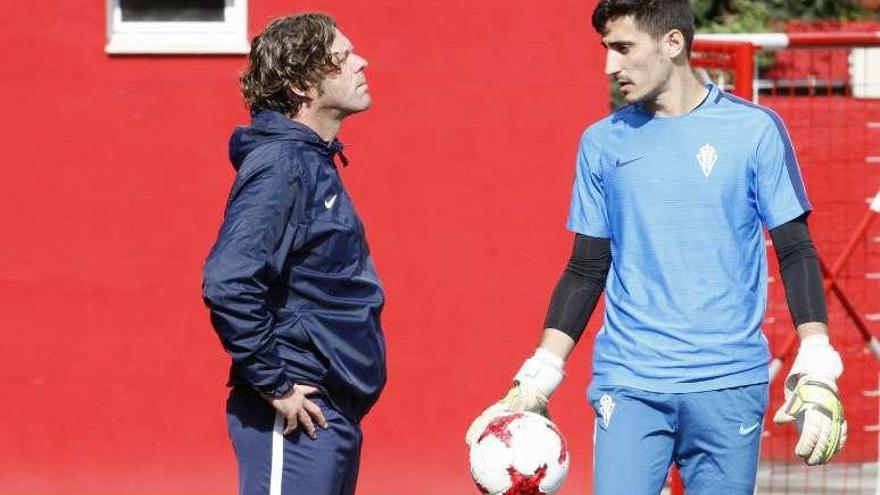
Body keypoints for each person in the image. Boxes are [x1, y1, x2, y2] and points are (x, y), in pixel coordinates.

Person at [466, 1, 846, 493]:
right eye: (606, 49)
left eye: (623, 48)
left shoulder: (756, 131)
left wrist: (817, 354)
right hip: (629, 382)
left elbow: (795, 249)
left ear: (673, 43)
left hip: (728, 382)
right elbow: (586, 267)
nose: (610, 66)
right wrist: (539, 372)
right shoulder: (601, 143)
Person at [202, 13, 385, 495]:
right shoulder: (282, 165)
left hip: (329, 409)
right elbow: (228, 279)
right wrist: (276, 384)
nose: (362, 62)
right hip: (296, 407)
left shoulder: (311, 162)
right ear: (304, 84)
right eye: (343, 58)